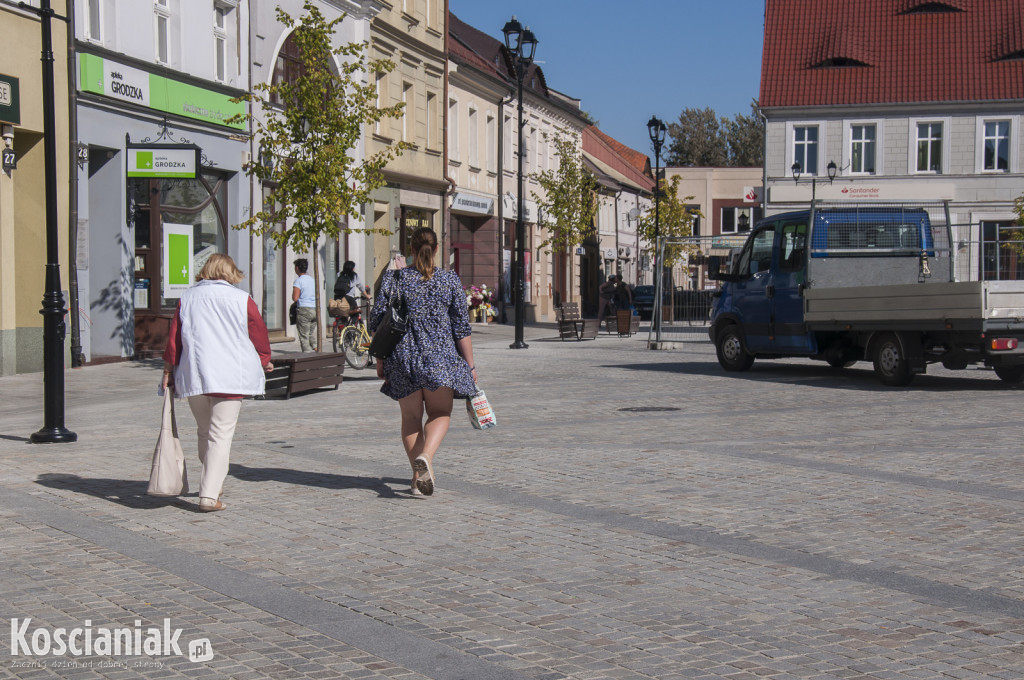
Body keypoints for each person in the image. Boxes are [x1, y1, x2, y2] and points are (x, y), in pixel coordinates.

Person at [161, 254, 274, 512]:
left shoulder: (187, 298)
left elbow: (174, 339)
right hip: (231, 375)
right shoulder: (242, 299)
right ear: (231, 272)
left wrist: (169, 368)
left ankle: (212, 481)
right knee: (220, 435)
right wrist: (264, 359)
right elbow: (258, 334)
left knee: (205, 431)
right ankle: (209, 495)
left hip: (196, 373)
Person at [370, 227, 477, 497]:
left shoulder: (394, 279)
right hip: (440, 358)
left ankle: (418, 478)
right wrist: (470, 366)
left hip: (402, 358)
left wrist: (380, 359)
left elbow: (377, 321)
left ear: (412, 249)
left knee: (411, 417)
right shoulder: (449, 279)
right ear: (437, 250)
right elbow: (461, 328)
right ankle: (427, 457)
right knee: (440, 413)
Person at [292, 258, 317, 352]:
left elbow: (295, 298)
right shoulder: (312, 280)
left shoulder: (298, 281)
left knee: (304, 336)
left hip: (304, 310)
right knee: (310, 333)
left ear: (297, 268)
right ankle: (316, 348)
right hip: (314, 309)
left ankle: (307, 356)